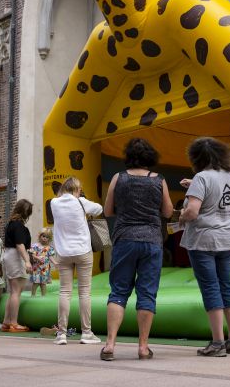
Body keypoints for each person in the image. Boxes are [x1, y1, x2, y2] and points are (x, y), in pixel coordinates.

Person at [100, 138, 173, 361]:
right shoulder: (159, 180)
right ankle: (143, 347)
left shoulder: (118, 178)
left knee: (119, 291)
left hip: (124, 240)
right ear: (150, 157)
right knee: (147, 293)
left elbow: (108, 210)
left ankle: (110, 344)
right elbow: (168, 212)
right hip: (151, 241)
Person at [179, 137, 230, 357]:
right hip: (228, 238)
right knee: (225, 286)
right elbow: (216, 195)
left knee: (210, 288)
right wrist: (194, 185)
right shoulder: (228, 176)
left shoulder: (201, 177)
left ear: (197, 157)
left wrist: (182, 216)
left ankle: (217, 343)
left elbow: (193, 211)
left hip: (204, 240)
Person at [50, 176, 103, 345]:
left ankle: (62, 334)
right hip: (83, 251)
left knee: (64, 292)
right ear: (76, 189)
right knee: (84, 292)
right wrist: (83, 199)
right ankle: (86, 332)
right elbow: (99, 209)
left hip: (63, 252)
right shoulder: (81, 202)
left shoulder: (54, 203)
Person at [1, 199, 33, 332]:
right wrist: (27, 261)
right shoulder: (19, 225)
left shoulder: (11, 224)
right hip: (15, 256)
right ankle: (14, 323)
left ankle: (6, 322)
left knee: (12, 291)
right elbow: (20, 245)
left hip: (9, 255)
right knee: (16, 292)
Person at [29, 228, 56, 297]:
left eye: (47, 237)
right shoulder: (35, 246)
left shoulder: (49, 248)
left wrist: (55, 262)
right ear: (40, 236)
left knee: (43, 283)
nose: (45, 238)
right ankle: (33, 295)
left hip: (45, 268)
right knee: (36, 282)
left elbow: (50, 256)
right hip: (37, 267)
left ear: (49, 239)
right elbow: (32, 254)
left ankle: (43, 296)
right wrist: (37, 257)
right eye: (43, 236)